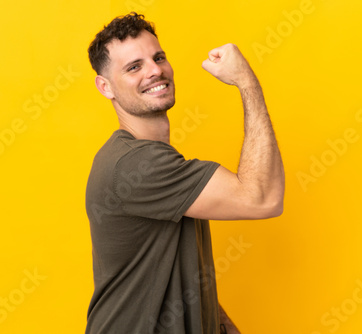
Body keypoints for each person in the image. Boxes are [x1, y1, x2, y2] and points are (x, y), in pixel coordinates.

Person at [85, 12, 285, 334]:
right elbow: (263, 199)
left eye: (158, 57)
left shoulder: (154, 161)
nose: (155, 70)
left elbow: (173, 269)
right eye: (134, 67)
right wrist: (246, 81)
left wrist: (222, 326)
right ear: (105, 87)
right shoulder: (136, 166)